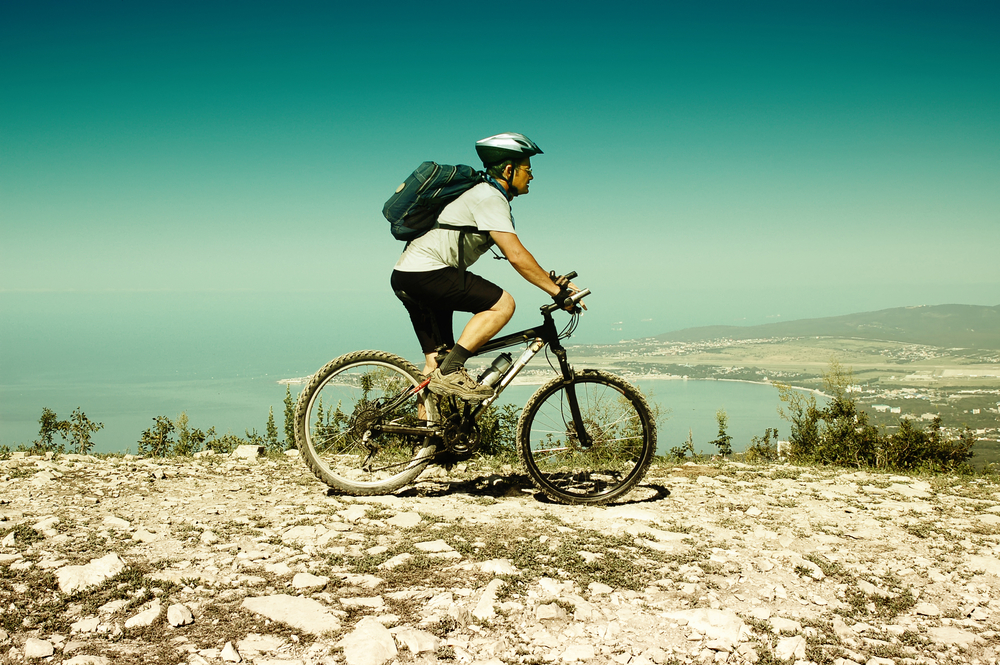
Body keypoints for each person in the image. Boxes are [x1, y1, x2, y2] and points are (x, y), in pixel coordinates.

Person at [390, 132, 582, 402]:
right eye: (527, 169)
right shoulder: (489, 197)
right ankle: (452, 369)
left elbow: (516, 255)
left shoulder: (482, 196)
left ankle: (427, 438)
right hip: (427, 273)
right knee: (503, 305)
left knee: (436, 365)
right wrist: (556, 293)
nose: (531, 176)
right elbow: (515, 254)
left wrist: (549, 279)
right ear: (508, 169)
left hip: (409, 275)